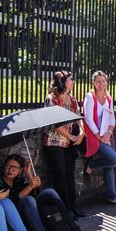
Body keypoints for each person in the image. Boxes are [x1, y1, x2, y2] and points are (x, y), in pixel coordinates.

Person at [0, 155, 88, 231]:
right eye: (8, 166)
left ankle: (75, 230)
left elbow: (36, 195)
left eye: (15, 167)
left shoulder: (19, 181)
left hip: (29, 216)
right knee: (28, 200)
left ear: (20, 170)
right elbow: (11, 201)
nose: (10, 170)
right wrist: (30, 186)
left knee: (49, 192)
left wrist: (29, 174)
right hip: (13, 223)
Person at [42, 70, 85, 219]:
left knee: (69, 175)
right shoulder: (51, 99)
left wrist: (81, 132)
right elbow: (54, 123)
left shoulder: (72, 99)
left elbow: (78, 117)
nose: (72, 82)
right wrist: (71, 136)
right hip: (54, 142)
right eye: (70, 79)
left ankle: (73, 206)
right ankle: (65, 209)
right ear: (62, 82)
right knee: (59, 175)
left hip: (70, 142)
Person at [83, 71, 116, 205]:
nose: (101, 84)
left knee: (110, 166)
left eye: (103, 81)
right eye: (98, 81)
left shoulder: (109, 98)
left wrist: (109, 131)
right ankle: (92, 164)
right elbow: (88, 119)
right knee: (115, 160)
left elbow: (112, 117)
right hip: (95, 136)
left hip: (107, 135)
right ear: (93, 83)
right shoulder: (90, 97)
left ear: (107, 82)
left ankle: (112, 196)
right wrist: (99, 136)